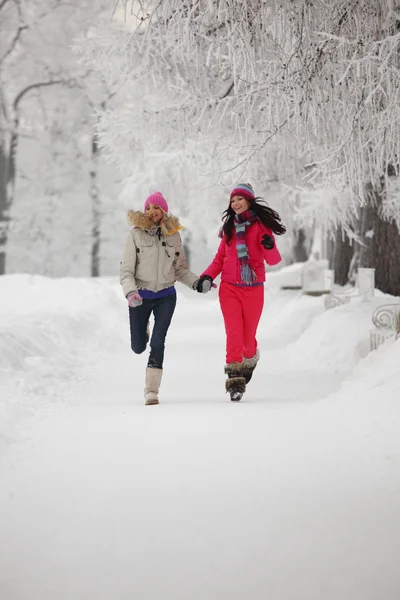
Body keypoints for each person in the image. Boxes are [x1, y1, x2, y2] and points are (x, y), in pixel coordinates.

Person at [120, 191, 212, 405]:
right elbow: (126, 270)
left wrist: (198, 283)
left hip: (166, 296)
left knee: (159, 341)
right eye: (148, 208)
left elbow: (180, 270)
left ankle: (151, 390)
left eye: (156, 208)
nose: (152, 212)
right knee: (138, 347)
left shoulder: (173, 235)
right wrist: (131, 292)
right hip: (140, 297)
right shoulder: (135, 234)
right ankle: (143, 330)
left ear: (164, 210)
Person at [196, 183, 286, 401]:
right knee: (234, 334)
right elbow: (219, 259)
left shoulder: (261, 227)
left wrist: (269, 244)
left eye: (239, 199)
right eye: (232, 200)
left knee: (247, 341)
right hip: (229, 288)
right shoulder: (229, 228)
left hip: (253, 288)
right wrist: (207, 276)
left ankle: (251, 357)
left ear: (249, 201)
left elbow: (273, 260)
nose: (235, 203)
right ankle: (235, 381)